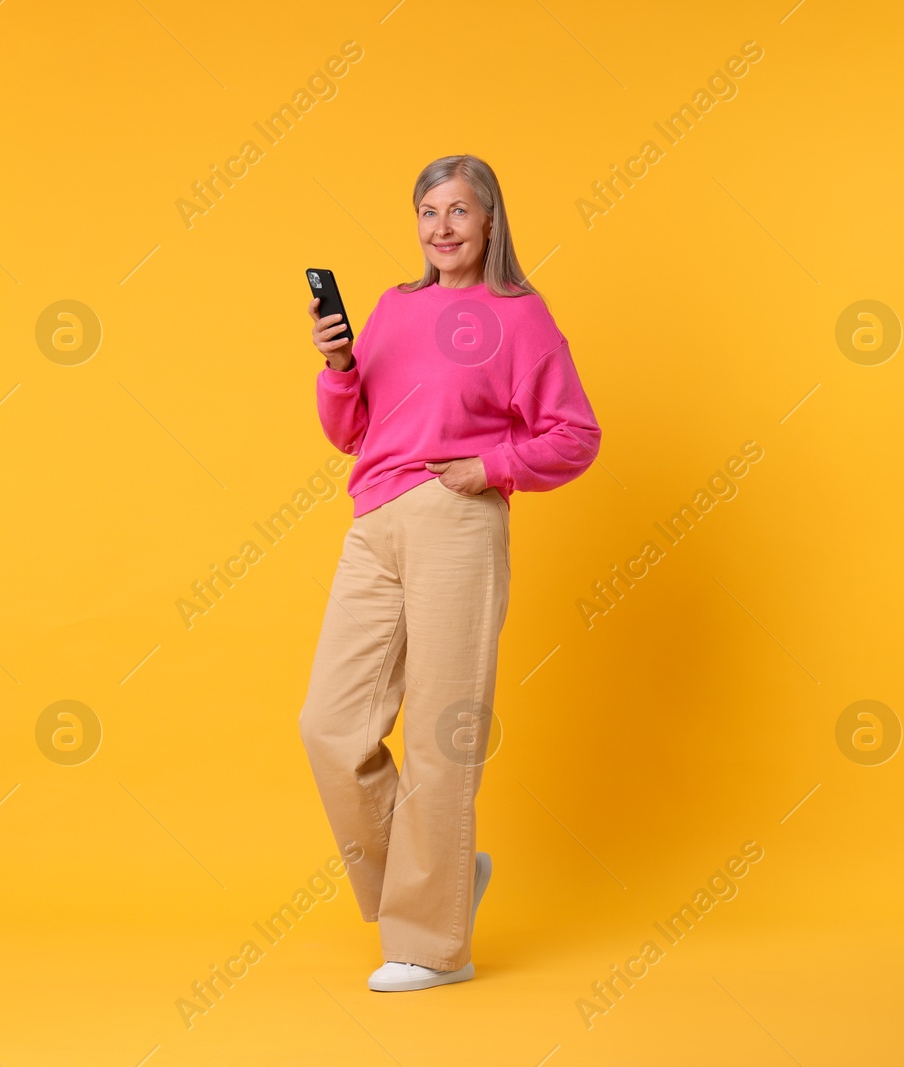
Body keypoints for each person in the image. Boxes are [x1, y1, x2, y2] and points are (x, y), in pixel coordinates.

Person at [297, 155, 602, 992]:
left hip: (457, 521)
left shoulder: (521, 317)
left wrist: (489, 466)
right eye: (428, 212)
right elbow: (351, 430)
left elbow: (573, 434)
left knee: (438, 734)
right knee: (330, 725)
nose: (442, 227)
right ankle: (441, 885)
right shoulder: (395, 309)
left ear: (490, 222)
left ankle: (435, 945)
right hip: (375, 520)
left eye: (459, 211)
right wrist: (338, 369)